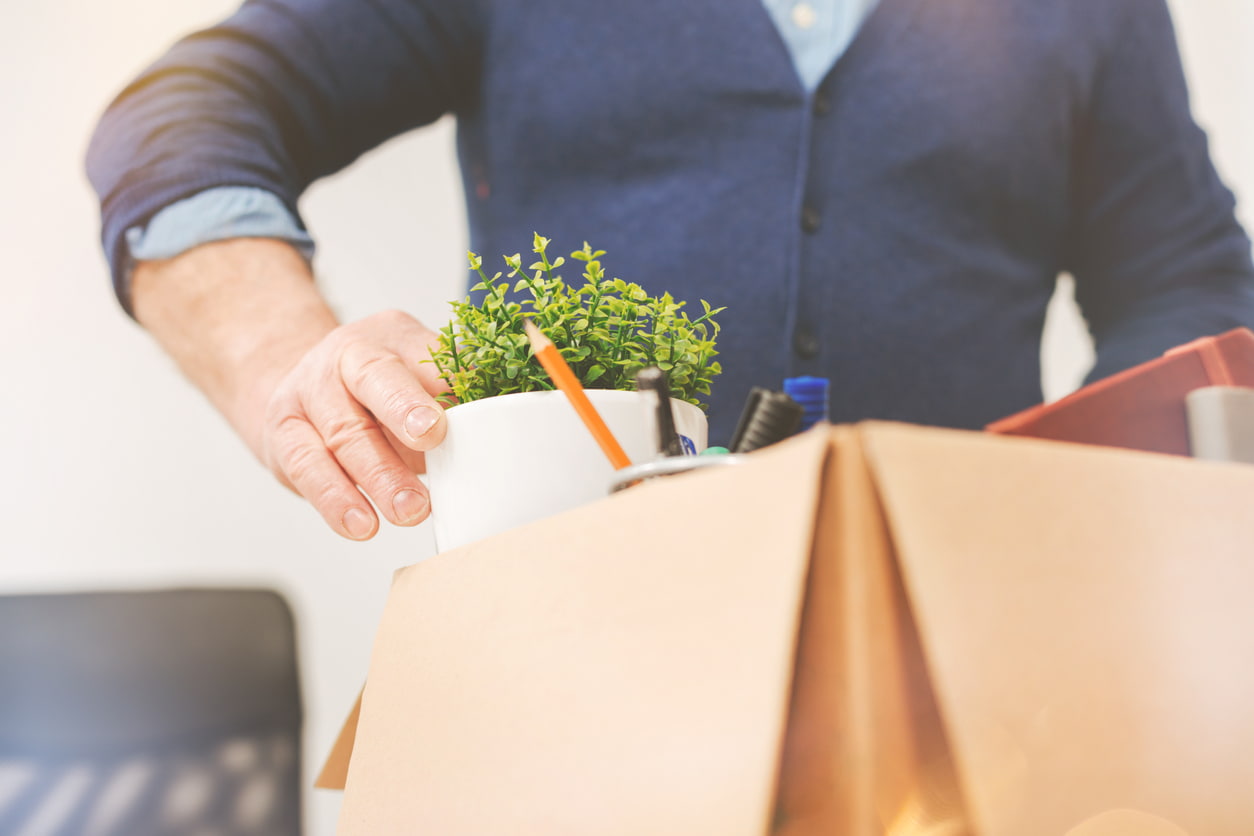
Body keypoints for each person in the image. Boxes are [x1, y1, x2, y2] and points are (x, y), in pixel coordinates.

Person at [87, 0, 1254, 541]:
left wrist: (1107, 522)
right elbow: (186, 117)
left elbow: (1184, 276)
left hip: (957, 668)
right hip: (556, 665)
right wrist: (291, 365)